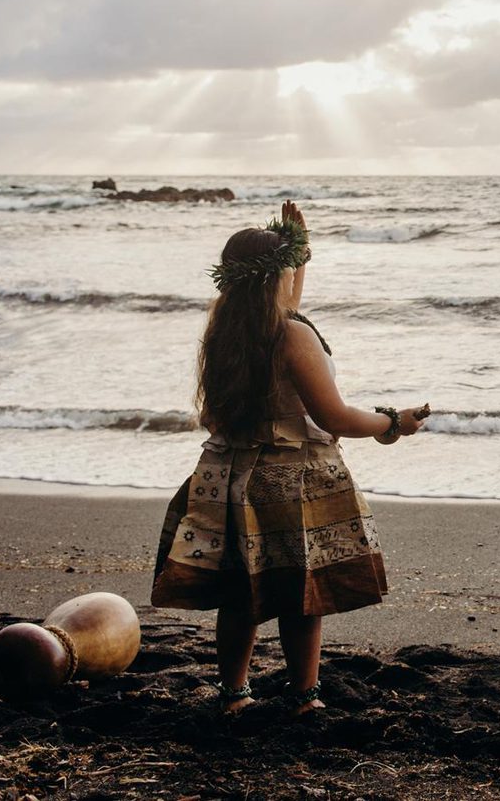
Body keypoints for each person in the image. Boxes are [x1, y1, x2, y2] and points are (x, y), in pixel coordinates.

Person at [152, 200, 429, 717]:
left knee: (241, 594)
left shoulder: (225, 332)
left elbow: (287, 305)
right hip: (287, 481)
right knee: (302, 594)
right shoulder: (292, 335)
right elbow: (337, 417)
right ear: (274, 279)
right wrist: (396, 423)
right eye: (288, 271)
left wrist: (299, 254)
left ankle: (234, 694)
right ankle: (303, 696)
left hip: (230, 478)